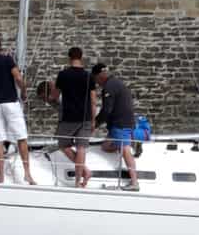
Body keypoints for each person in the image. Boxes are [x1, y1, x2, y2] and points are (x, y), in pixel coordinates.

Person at [0, 36, 36, 186]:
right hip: (10, 103)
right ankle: (27, 174)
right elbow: (18, 78)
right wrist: (24, 91)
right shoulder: (7, 60)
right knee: (21, 137)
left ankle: (1, 177)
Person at [92, 61, 141, 190]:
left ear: (100, 75)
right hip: (122, 123)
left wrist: (95, 123)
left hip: (120, 123)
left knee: (125, 150)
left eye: (96, 79)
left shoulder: (109, 87)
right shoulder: (116, 83)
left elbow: (106, 110)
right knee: (105, 146)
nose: (97, 83)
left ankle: (135, 182)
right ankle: (126, 143)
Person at [53, 44, 93, 187]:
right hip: (85, 116)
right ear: (81, 57)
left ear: (69, 58)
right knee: (81, 147)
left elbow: (55, 95)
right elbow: (93, 99)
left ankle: (85, 172)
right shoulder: (88, 76)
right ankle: (78, 181)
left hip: (69, 116)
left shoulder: (63, 75)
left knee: (63, 144)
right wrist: (93, 119)